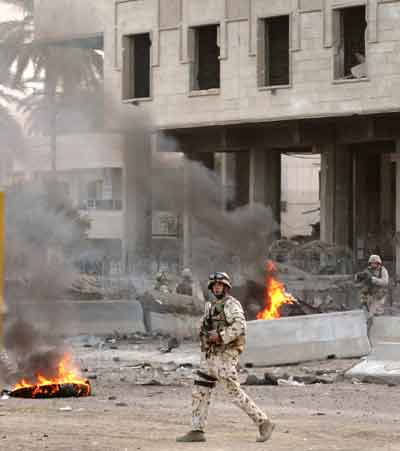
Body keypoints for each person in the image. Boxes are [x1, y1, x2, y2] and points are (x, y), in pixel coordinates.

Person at [176, 272, 274, 443]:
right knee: (200, 391)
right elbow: (204, 326)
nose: (217, 288)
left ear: (226, 287)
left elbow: (240, 326)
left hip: (225, 356)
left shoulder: (231, 305)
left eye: (220, 285)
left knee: (233, 393)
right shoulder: (211, 306)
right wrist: (204, 331)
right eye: (214, 285)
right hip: (210, 356)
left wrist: (220, 336)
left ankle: (263, 422)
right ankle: (197, 430)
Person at [355, 254, 389, 329]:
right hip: (369, 295)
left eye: (375, 263)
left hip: (379, 296)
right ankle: (367, 327)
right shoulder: (367, 270)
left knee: (372, 313)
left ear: (378, 263)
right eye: (372, 263)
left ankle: (371, 328)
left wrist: (373, 279)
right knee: (364, 311)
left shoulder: (382, 270)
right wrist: (358, 277)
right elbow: (359, 282)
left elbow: (385, 281)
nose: (373, 264)